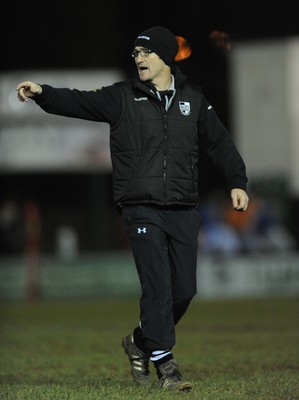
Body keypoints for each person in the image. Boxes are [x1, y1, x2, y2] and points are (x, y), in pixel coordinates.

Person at [16, 26, 249, 391]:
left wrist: (237, 180)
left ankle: (139, 342)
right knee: (157, 287)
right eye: (135, 54)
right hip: (140, 208)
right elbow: (77, 101)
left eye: (145, 52)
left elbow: (219, 142)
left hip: (184, 207)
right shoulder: (122, 97)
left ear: (165, 57)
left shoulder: (193, 98)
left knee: (183, 290)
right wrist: (43, 93)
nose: (138, 58)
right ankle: (166, 365)